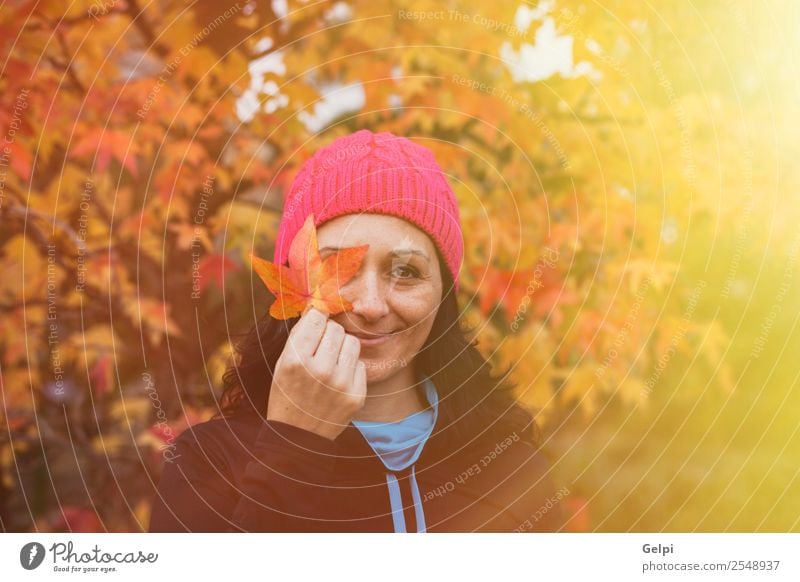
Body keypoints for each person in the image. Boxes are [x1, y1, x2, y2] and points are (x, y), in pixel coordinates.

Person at [148, 129, 566, 532]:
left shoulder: (510, 468)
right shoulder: (209, 463)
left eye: (405, 271)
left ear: (444, 296)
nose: (369, 305)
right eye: (336, 267)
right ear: (291, 282)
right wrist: (294, 450)